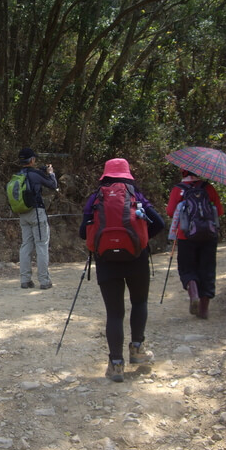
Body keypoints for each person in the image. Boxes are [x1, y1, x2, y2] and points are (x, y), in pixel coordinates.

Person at [79, 158, 165, 382]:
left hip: (106, 261)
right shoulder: (136, 195)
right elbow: (159, 223)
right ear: (127, 174)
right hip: (137, 258)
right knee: (139, 303)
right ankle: (137, 350)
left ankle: (116, 364)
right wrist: (141, 239)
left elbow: (82, 232)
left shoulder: (96, 197)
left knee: (115, 314)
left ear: (105, 175)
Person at [166, 169, 224, 320]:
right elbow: (219, 211)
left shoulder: (178, 189)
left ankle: (194, 294)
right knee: (208, 269)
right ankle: (204, 310)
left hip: (186, 236)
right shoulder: (208, 188)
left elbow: (171, 212)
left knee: (187, 267)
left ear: (183, 173)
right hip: (209, 236)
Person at [16, 147, 58, 290]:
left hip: (23, 213)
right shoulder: (35, 174)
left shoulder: (18, 174)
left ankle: (25, 280)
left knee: (26, 245)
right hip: (36, 213)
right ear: (32, 160)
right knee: (41, 244)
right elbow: (53, 185)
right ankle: (44, 281)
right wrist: (51, 173)